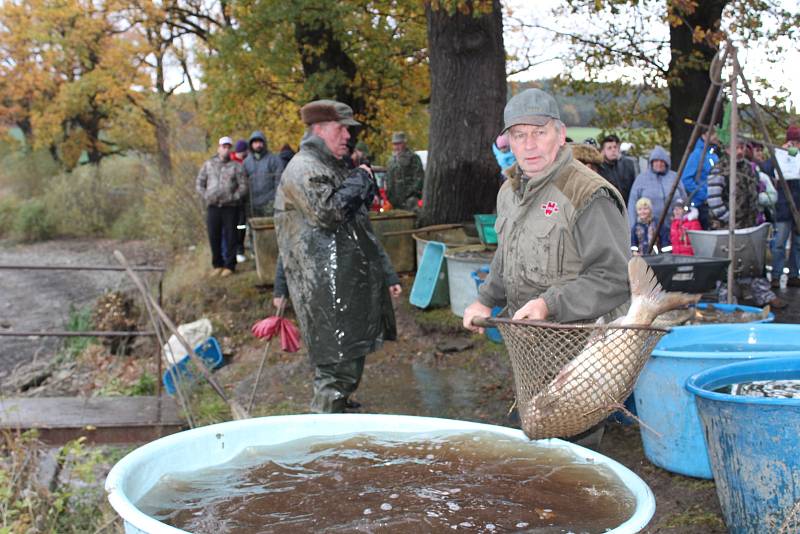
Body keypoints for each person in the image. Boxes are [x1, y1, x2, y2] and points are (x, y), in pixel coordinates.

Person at [463, 88, 629, 336]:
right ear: (509, 142)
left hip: (588, 348)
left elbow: (614, 278)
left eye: (539, 133)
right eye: (519, 135)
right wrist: (486, 299)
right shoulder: (509, 192)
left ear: (561, 135)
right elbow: (507, 254)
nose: (529, 145)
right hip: (530, 346)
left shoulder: (587, 194)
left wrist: (548, 304)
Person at [273, 99, 402, 414]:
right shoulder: (305, 168)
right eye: (341, 128)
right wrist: (360, 178)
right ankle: (325, 432)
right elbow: (327, 212)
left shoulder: (332, 165)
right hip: (325, 290)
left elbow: (361, 226)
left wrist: (386, 274)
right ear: (319, 128)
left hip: (344, 284)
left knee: (347, 362)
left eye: (348, 129)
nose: (348, 135)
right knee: (335, 369)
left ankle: (338, 410)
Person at [707, 138, 784, 309]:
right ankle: (727, 298)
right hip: (726, 227)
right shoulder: (719, 170)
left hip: (748, 225)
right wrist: (729, 219)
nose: (740, 151)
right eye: (736, 147)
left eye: (742, 147)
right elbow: (714, 201)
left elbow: (755, 192)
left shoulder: (749, 168)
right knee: (727, 265)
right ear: (727, 149)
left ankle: (763, 294)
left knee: (753, 263)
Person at [195, 136, 248, 277]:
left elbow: (243, 186)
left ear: (231, 149)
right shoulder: (209, 164)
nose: (226, 149)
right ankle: (217, 264)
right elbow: (200, 182)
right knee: (214, 235)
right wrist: (205, 195)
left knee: (231, 235)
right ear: (219, 148)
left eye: (228, 147)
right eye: (223, 146)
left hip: (230, 207)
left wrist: (234, 197)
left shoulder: (236, 166)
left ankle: (230, 265)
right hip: (213, 206)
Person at [627, 146, 685, 250]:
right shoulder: (641, 179)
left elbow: (684, 198)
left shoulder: (674, 177)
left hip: (673, 227)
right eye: (656, 161)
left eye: (662, 161)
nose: (659, 164)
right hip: (648, 228)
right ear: (651, 162)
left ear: (666, 162)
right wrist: (632, 227)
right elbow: (632, 203)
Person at [770, 124, 800, 287]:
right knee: (780, 241)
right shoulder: (779, 153)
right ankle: (776, 274)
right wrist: (783, 153)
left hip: (799, 201)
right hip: (783, 203)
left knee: (797, 242)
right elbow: (778, 173)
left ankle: (794, 274)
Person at [681, 131, 720, 229]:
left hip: (714, 203)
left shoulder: (713, 155)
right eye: (711, 133)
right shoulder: (697, 155)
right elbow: (686, 179)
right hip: (703, 205)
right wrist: (704, 195)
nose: (715, 136)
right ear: (703, 135)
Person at [243, 130, 286, 217]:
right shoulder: (246, 162)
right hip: (252, 204)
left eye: (260, 142)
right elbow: (243, 183)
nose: (258, 145)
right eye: (255, 142)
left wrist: (275, 200)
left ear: (264, 143)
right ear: (251, 144)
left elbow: (279, 182)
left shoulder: (274, 160)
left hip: (269, 203)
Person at [385, 131, 424, 210]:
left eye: (399, 144)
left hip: (410, 200)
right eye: (394, 144)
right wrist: (389, 196)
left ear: (404, 143)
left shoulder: (413, 158)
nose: (396, 147)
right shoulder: (391, 161)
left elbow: (419, 177)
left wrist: (411, 193)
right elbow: (388, 179)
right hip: (394, 201)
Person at [597, 133, 636, 203]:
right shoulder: (599, 170)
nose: (613, 150)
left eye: (615, 147)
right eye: (609, 148)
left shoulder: (627, 166)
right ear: (603, 151)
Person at [230, 139, 249, 263]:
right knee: (233, 226)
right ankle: (236, 250)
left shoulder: (246, 162)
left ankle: (241, 249)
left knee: (242, 225)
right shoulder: (231, 162)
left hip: (244, 199)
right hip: (231, 200)